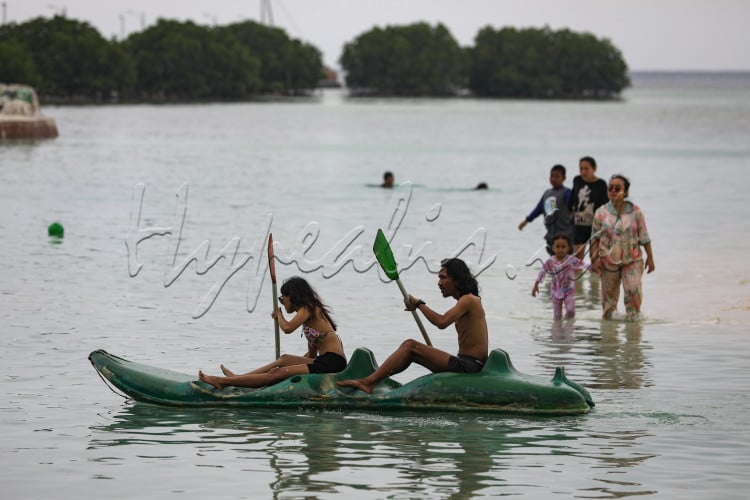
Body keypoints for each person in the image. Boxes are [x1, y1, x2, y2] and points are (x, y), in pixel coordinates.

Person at [337, 258, 488, 394]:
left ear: (457, 279)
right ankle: (372, 381)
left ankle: (368, 382)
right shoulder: (466, 301)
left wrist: (418, 304)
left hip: (471, 366)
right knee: (409, 349)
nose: (439, 283)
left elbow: (441, 322)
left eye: (443, 278)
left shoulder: (469, 300)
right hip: (463, 362)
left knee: (410, 346)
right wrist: (417, 306)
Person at [198, 277, 346, 389]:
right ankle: (240, 378)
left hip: (333, 362)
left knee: (276, 373)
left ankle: (223, 382)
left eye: (283, 299)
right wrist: (289, 367)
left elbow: (287, 328)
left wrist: (279, 314)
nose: (282, 302)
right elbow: (311, 356)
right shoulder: (308, 318)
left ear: (293, 296)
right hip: (324, 360)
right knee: (284, 359)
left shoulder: (309, 307)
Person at [590, 174, 655, 320]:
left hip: (632, 260)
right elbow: (594, 239)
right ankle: (609, 338)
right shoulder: (601, 213)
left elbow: (644, 237)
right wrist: (594, 261)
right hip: (607, 262)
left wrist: (650, 258)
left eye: (617, 188)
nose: (613, 190)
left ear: (625, 192)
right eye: (610, 188)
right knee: (608, 305)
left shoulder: (635, 211)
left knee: (633, 293)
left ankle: (633, 334)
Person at [518, 164, 574, 254]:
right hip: (551, 234)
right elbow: (538, 209)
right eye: (552, 176)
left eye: (557, 176)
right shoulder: (547, 193)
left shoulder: (567, 193)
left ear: (564, 178)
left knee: (566, 260)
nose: (554, 179)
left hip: (566, 234)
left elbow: (573, 208)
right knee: (553, 260)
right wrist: (525, 221)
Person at [532, 233, 589, 320]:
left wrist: (596, 268)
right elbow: (542, 272)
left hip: (568, 290)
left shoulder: (571, 260)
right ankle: (557, 331)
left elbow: (584, 264)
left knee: (571, 311)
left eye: (563, 247)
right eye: (557, 247)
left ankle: (568, 328)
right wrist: (536, 285)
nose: (560, 249)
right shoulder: (550, 261)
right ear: (553, 248)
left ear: (568, 248)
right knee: (557, 316)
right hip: (555, 291)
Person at [571, 156, 608, 259]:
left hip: (595, 226)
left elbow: (606, 206)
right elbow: (573, 198)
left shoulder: (601, 184)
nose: (583, 171)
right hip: (579, 225)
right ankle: (578, 276)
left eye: (586, 168)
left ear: (594, 169)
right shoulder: (577, 180)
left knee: (595, 259)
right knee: (577, 259)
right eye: (581, 168)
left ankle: (594, 276)